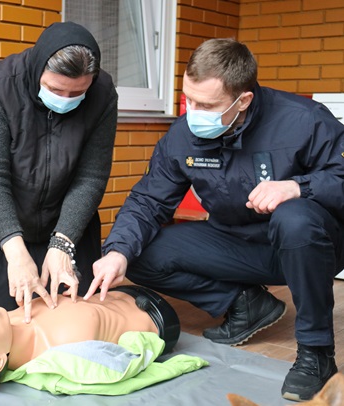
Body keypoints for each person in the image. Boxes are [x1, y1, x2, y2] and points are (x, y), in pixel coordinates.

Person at [84, 38, 344, 402]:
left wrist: (297, 187)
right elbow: (149, 199)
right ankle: (243, 303)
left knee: (294, 218)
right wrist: (117, 252)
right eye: (189, 99)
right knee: (138, 252)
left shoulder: (304, 120)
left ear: (244, 101)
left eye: (206, 105)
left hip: (309, 246)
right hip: (237, 244)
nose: (193, 112)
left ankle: (317, 354)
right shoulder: (183, 135)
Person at [0, 21, 118, 323]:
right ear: (38, 70)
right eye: (55, 89)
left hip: (61, 211)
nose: (66, 100)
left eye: (77, 92)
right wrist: (15, 253)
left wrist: (63, 244)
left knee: (71, 299)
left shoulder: (103, 93)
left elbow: (91, 177)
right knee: (4, 308)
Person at [0, 285, 180, 396]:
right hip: (157, 316)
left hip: (122, 288)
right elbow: (120, 367)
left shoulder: (11, 316)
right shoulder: (61, 347)